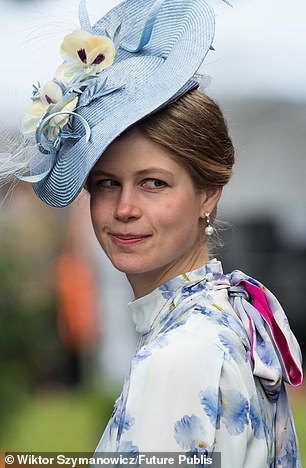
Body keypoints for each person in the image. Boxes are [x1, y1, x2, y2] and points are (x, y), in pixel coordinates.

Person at [1, 0, 303, 466]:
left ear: (209, 193)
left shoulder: (177, 357)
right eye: (106, 183)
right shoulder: (231, 314)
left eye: (153, 183)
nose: (124, 209)